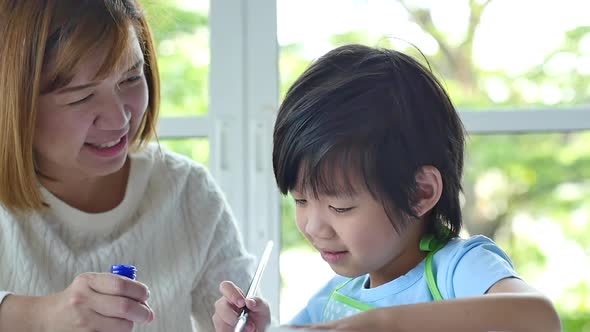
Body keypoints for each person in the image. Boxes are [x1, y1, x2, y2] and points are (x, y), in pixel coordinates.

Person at [212, 44, 561, 332]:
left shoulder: (457, 268)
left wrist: (382, 323)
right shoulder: (334, 299)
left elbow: (540, 319)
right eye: (301, 200)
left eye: (341, 207)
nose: (313, 226)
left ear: (420, 193)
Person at [0, 1, 254, 331]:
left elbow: (244, 317)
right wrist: (40, 316)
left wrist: (249, 321)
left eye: (131, 79)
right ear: (17, 104)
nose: (119, 118)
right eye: (81, 97)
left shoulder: (187, 192)